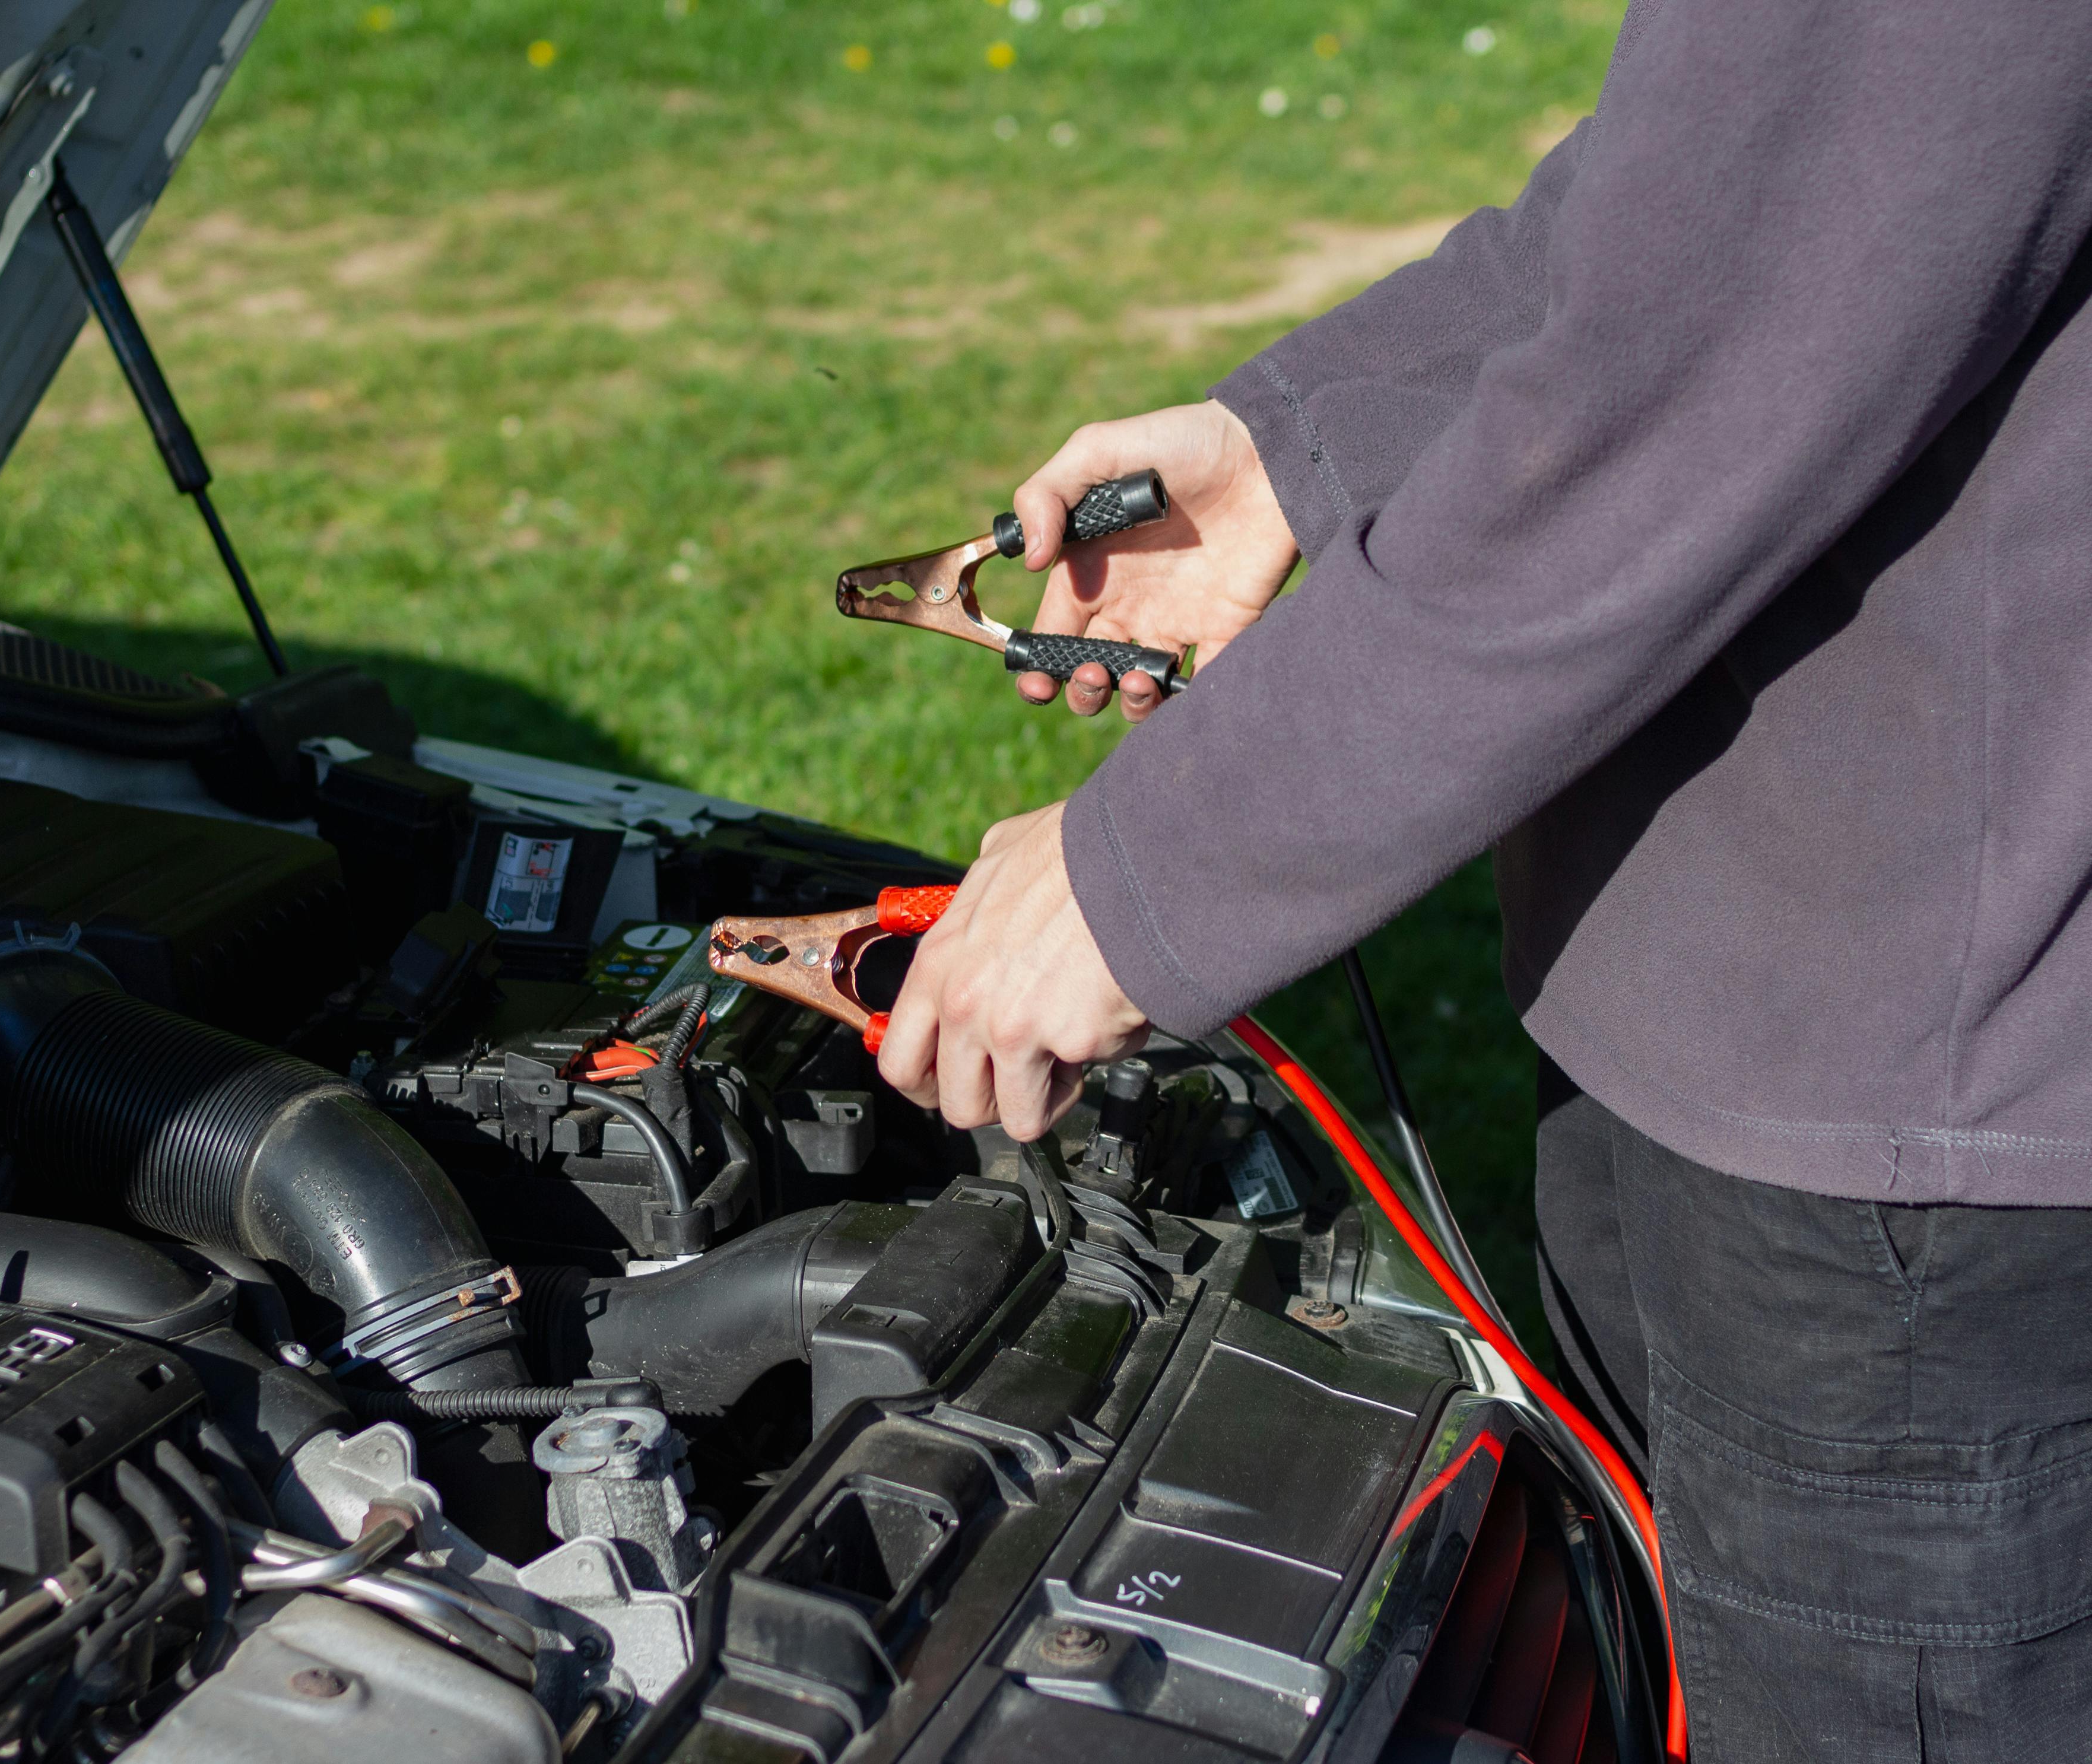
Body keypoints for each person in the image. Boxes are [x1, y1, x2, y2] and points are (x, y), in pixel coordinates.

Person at [871, 1, 2092, 1755]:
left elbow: (1676, 407)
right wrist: (1305, 436)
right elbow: (1716, 196)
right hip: (1746, 991)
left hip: (1918, 1125)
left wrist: (1138, 871)